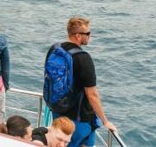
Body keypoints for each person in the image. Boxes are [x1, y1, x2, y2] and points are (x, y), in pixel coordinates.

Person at [45, 16, 117, 147]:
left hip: (58, 111)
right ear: (78, 36)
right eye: (88, 33)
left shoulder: (55, 49)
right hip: (79, 118)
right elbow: (92, 95)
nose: (89, 36)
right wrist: (105, 121)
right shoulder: (83, 58)